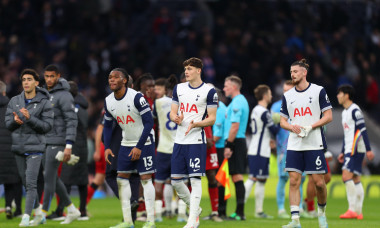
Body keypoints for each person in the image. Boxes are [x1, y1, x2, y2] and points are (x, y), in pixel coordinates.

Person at [280, 59, 332, 228]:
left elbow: (328, 116)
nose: (292, 74)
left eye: (295, 71)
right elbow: (283, 121)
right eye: (291, 72)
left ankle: (321, 214)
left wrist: (310, 126)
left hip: (314, 143)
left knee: (318, 182)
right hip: (294, 144)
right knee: (294, 181)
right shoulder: (288, 96)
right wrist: (291, 127)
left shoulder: (318, 91)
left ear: (304, 73)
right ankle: (295, 220)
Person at [104, 68, 156, 228]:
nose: (112, 80)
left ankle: (150, 221)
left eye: (116, 77)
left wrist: (139, 146)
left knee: (146, 180)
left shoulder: (137, 97)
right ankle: (128, 222)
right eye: (110, 77)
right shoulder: (108, 101)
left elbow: (149, 123)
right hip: (126, 142)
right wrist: (106, 147)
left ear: (124, 80)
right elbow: (107, 125)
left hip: (145, 141)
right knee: (121, 179)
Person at [170, 57, 218, 228]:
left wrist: (197, 123)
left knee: (195, 180)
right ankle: (195, 209)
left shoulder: (209, 91)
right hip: (179, 140)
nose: (186, 72)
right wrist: (175, 118)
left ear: (199, 70)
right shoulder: (179, 88)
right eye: (185, 69)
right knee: (175, 180)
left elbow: (212, 119)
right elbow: (172, 112)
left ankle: (192, 221)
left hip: (196, 140)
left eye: (190, 69)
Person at [5, 69, 54, 226]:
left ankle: (26, 217)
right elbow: (8, 125)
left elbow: (47, 126)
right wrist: (15, 122)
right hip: (18, 146)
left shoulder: (45, 103)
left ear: (36, 83)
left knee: (31, 183)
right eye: (24, 79)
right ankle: (39, 213)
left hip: (35, 147)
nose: (26, 82)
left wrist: (30, 118)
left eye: (29, 79)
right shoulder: (14, 101)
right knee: (26, 182)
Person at [35, 64, 81, 225]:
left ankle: (42, 214)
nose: (48, 79)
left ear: (58, 76)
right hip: (44, 141)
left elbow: (71, 120)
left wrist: (69, 145)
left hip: (59, 141)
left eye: (52, 76)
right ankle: (72, 209)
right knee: (51, 176)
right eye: (46, 76)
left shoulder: (65, 95)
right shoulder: (43, 94)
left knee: (48, 176)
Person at [271, 80, 309, 219]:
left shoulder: (302, 105)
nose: (286, 93)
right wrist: (271, 141)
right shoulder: (276, 106)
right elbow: (272, 128)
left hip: (301, 146)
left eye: (289, 91)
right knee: (283, 178)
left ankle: (298, 208)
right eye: (284, 91)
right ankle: (281, 209)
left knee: (300, 178)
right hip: (284, 148)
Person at [337, 84, 375, 220]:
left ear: (346, 95)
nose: (337, 96)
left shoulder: (355, 110)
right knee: (355, 178)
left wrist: (369, 150)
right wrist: (342, 151)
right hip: (349, 148)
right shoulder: (344, 112)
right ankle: (359, 212)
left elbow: (363, 130)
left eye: (339, 93)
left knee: (346, 177)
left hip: (355, 148)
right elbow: (347, 133)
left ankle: (352, 209)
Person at [244, 85, 279, 219]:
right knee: (253, 177)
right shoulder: (264, 112)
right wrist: (279, 121)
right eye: (269, 94)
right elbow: (274, 131)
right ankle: (240, 208)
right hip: (259, 150)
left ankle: (259, 211)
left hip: (259, 149)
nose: (271, 96)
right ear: (265, 96)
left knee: (261, 180)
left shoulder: (255, 110)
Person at [58, 81, 89, 220]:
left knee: (66, 179)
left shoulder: (74, 108)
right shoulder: (81, 106)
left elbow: (76, 127)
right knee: (80, 180)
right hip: (82, 145)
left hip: (74, 145)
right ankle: (82, 211)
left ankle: (61, 210)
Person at [223, 75, 249, 220]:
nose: (224, 89)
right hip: (237, 141)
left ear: (233, 87)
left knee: (237, 175)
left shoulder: (238, 102)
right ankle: (239, 212)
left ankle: (240, 213)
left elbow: (235, 126)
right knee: (235, 176)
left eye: (226, 86)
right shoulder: (237, 101)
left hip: (236, 142)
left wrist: (229, 145)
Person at [152, 75, 178, 222]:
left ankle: (158, 213)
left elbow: (154, 119)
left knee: (160, 181)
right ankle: (177, 213)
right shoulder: (181, 104)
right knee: (176, 181)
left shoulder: (158, 102)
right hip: (177, 148)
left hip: (163, 148)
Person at [0, 80, 23, 219]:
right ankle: (11, 206)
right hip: (10, 149)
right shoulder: (13, 106)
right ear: (4, 92)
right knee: (12, 180)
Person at [212, 88, 228, 218]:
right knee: (218, 179)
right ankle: (218, 210)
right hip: (218, 147)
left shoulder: (220, 110)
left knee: (219, 180)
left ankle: (220, 211)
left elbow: (216, 136)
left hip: (219, 148)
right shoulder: (221, 107)